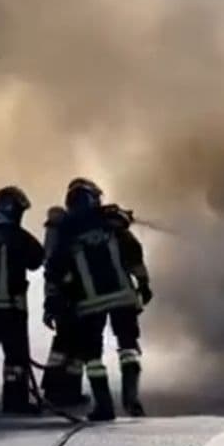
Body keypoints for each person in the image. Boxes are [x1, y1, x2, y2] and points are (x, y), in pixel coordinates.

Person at [44, 178, 152, 421]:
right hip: (123, 297)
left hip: (88, 304)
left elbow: (55, 270)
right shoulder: (112, 223)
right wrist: (144, 284)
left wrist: (53, 301)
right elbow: (134, 254)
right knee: (128, 347)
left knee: (93, 356)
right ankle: (131, 399)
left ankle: (104, 408)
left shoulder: (67, 232)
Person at [0, 186, 45, 413]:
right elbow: (36, 259)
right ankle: (15, 401)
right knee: (15, 358)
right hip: (11, 310)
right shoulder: (18, 237)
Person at [40, 205, 89, 407]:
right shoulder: (64, 237)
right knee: (74, 345)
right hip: (71, 298)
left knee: (64, 345)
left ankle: (55, 389)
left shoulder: (55, 235)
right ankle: (68, 392)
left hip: (61, 298)